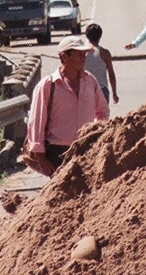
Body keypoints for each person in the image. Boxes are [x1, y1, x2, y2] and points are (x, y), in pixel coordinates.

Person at [25, 35, 110, 175]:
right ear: (64, 57)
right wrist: (41, 157)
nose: (84, 58)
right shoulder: (48, 85)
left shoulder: (90, 81)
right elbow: (37, 121)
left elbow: (103, 112)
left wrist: (95, 134)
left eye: (84, 54)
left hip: (86, 148)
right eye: (79, 54)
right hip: (58, 152)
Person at [82, 23, 118, 106]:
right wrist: (114, 93)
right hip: (102, 90)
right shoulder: (105, 53)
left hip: (85, 90)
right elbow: (111, 75)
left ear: (87, 36)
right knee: (102, 118)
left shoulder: (82, 53)